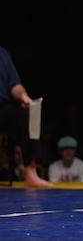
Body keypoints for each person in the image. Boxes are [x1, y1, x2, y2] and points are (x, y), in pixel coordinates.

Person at [0, 46, 53, 188]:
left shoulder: (3, 54)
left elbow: (15, 86)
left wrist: (23, 96)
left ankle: (30, 173)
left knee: (28, 115)